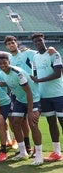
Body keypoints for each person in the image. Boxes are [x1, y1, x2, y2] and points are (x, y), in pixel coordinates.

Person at [0, 53, 43, 165]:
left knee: (33, 123)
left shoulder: (18, 73)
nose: (3, 65)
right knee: (15, 123)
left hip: (33, 98)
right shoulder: (2, 73)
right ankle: (23, 153)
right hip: (20, 100)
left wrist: (30, 111)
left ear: (9, 62)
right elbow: (9, 84)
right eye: (0, 64)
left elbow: (29, 92)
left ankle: (39, 156)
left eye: (4, 63)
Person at [30, 32, 63, 162]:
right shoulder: (35, 57)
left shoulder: (54, 54)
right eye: (36, 42)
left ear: (44, 40)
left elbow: (57, 74)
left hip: (59, 94)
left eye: (40, 40)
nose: (38, 43)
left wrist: (39, 80)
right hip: (44, 96)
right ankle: (57, 152)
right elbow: (35, 75)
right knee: (51, 123)